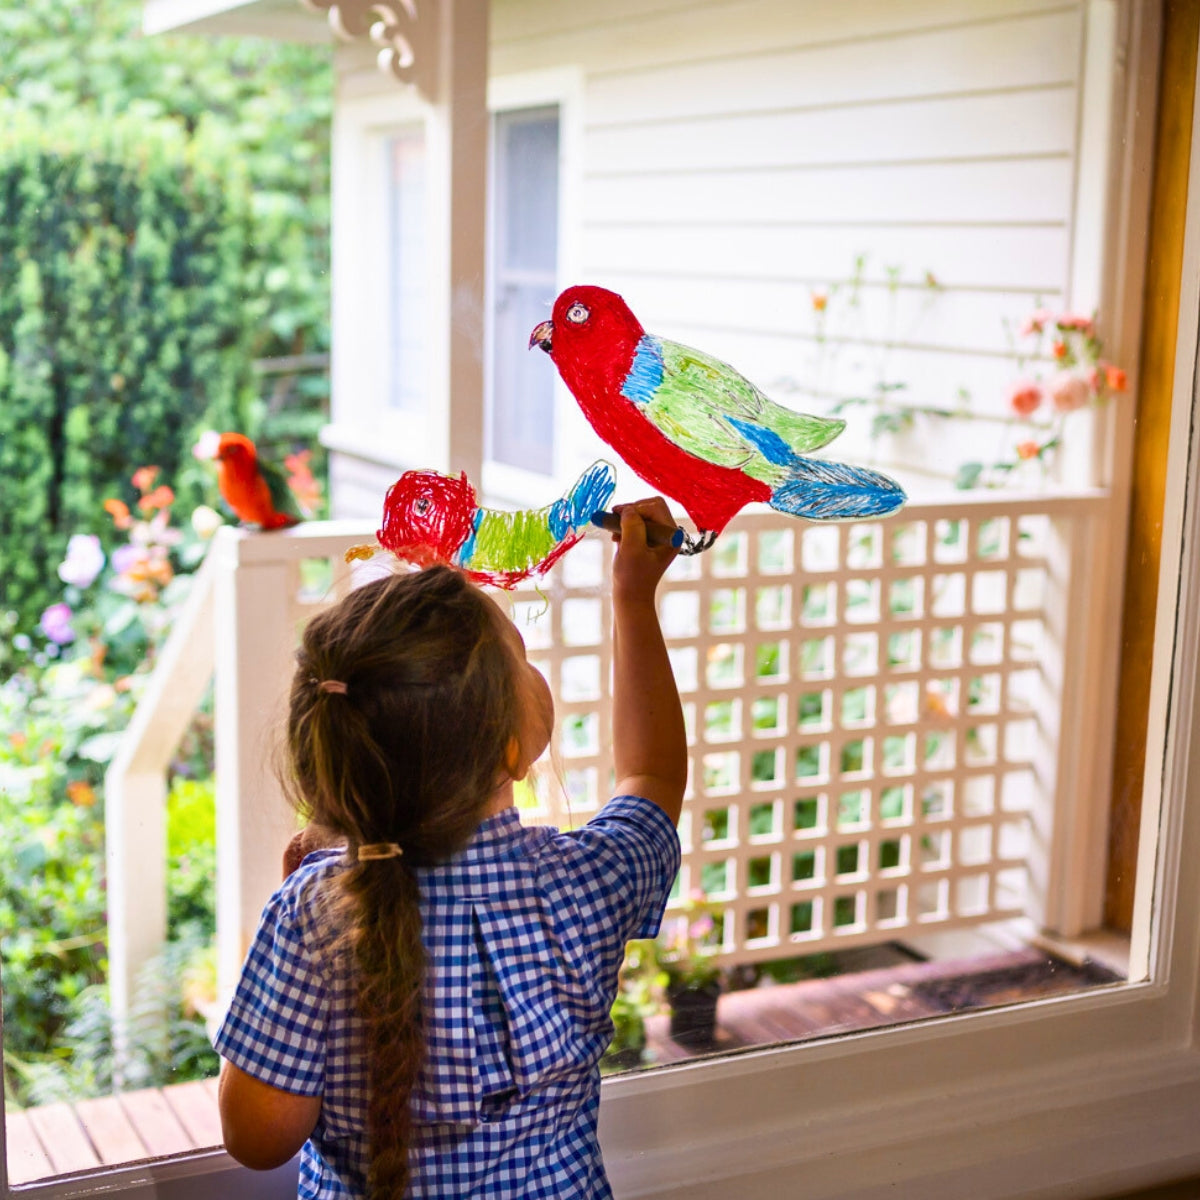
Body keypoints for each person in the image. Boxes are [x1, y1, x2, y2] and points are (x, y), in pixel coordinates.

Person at [213, 498, 687, 1199]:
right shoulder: (585, 883)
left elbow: (257, 1138)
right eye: (522, 660)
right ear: (513, 747)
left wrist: (302, 905)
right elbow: (652, 778)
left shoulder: (315, 915)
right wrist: (634, 597)